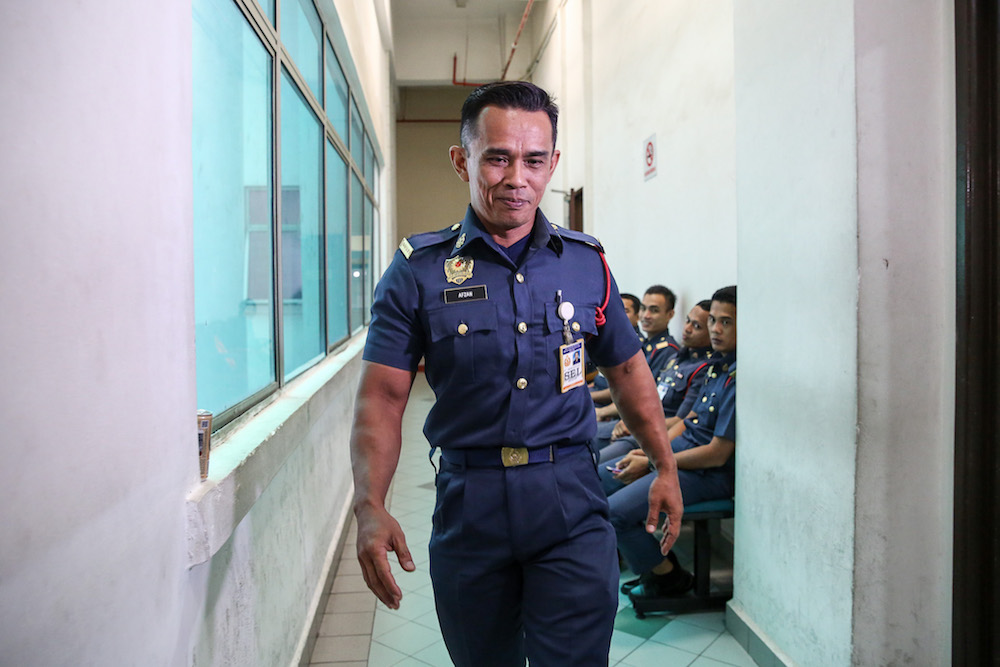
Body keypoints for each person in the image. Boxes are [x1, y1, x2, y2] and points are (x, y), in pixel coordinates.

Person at [349, 81, 684, 667]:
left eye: (534, 160)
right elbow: (382, 396)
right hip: (470, 503)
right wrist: (369, 504)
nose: (517, 178)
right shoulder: (419, 272)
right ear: (462, 161)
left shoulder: (585, 263)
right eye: (497, 157)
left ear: (553, 162)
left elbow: (629, 368)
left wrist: (664, 466)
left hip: (570, 500)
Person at [600, 285, 737, 600]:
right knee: (602, 476)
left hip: (707, 472)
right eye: (712, 320)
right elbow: (688, 423)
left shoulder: (736, 377)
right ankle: (643, 564)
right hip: (681, 454)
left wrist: (654, 463)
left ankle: (669, 577)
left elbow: (717, 454)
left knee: (615, 512)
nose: (716, 329)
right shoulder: (718, 368)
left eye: (725, 322)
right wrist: (650, 451)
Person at [593, 300, 716, 459]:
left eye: (697, 326)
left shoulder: (702, 369)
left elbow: (681, 420)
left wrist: (634, 423)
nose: (687, 328)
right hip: (636, 422)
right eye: (687, 321)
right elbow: (644, 396)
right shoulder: (676, 358)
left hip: (651, 432)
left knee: (589, 455)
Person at [590, 284, 679, 406]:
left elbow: (639, 392)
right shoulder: (644, 344)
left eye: (654, 310)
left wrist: (596, 405)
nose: (646, 315)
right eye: (643, 308)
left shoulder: (667, 350)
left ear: (670, 314)